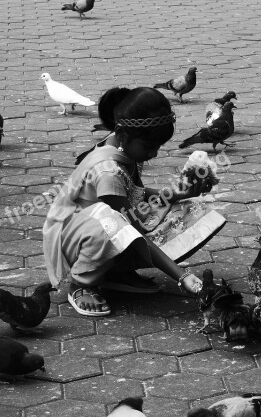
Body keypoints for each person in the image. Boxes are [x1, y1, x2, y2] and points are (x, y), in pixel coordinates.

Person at [43, 86, 215, 317]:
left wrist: (180, 194)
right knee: (111, 222)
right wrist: (181, 276)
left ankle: (113, 272)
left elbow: (135, 193)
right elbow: (127, 228)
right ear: (123, 133)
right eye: (149, 146)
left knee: (190, 211)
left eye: (158, 147)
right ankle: (82, 282)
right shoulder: (108, 172)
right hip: (81, 239)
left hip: (113, 224)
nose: (153, 153)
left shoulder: (123, 146)